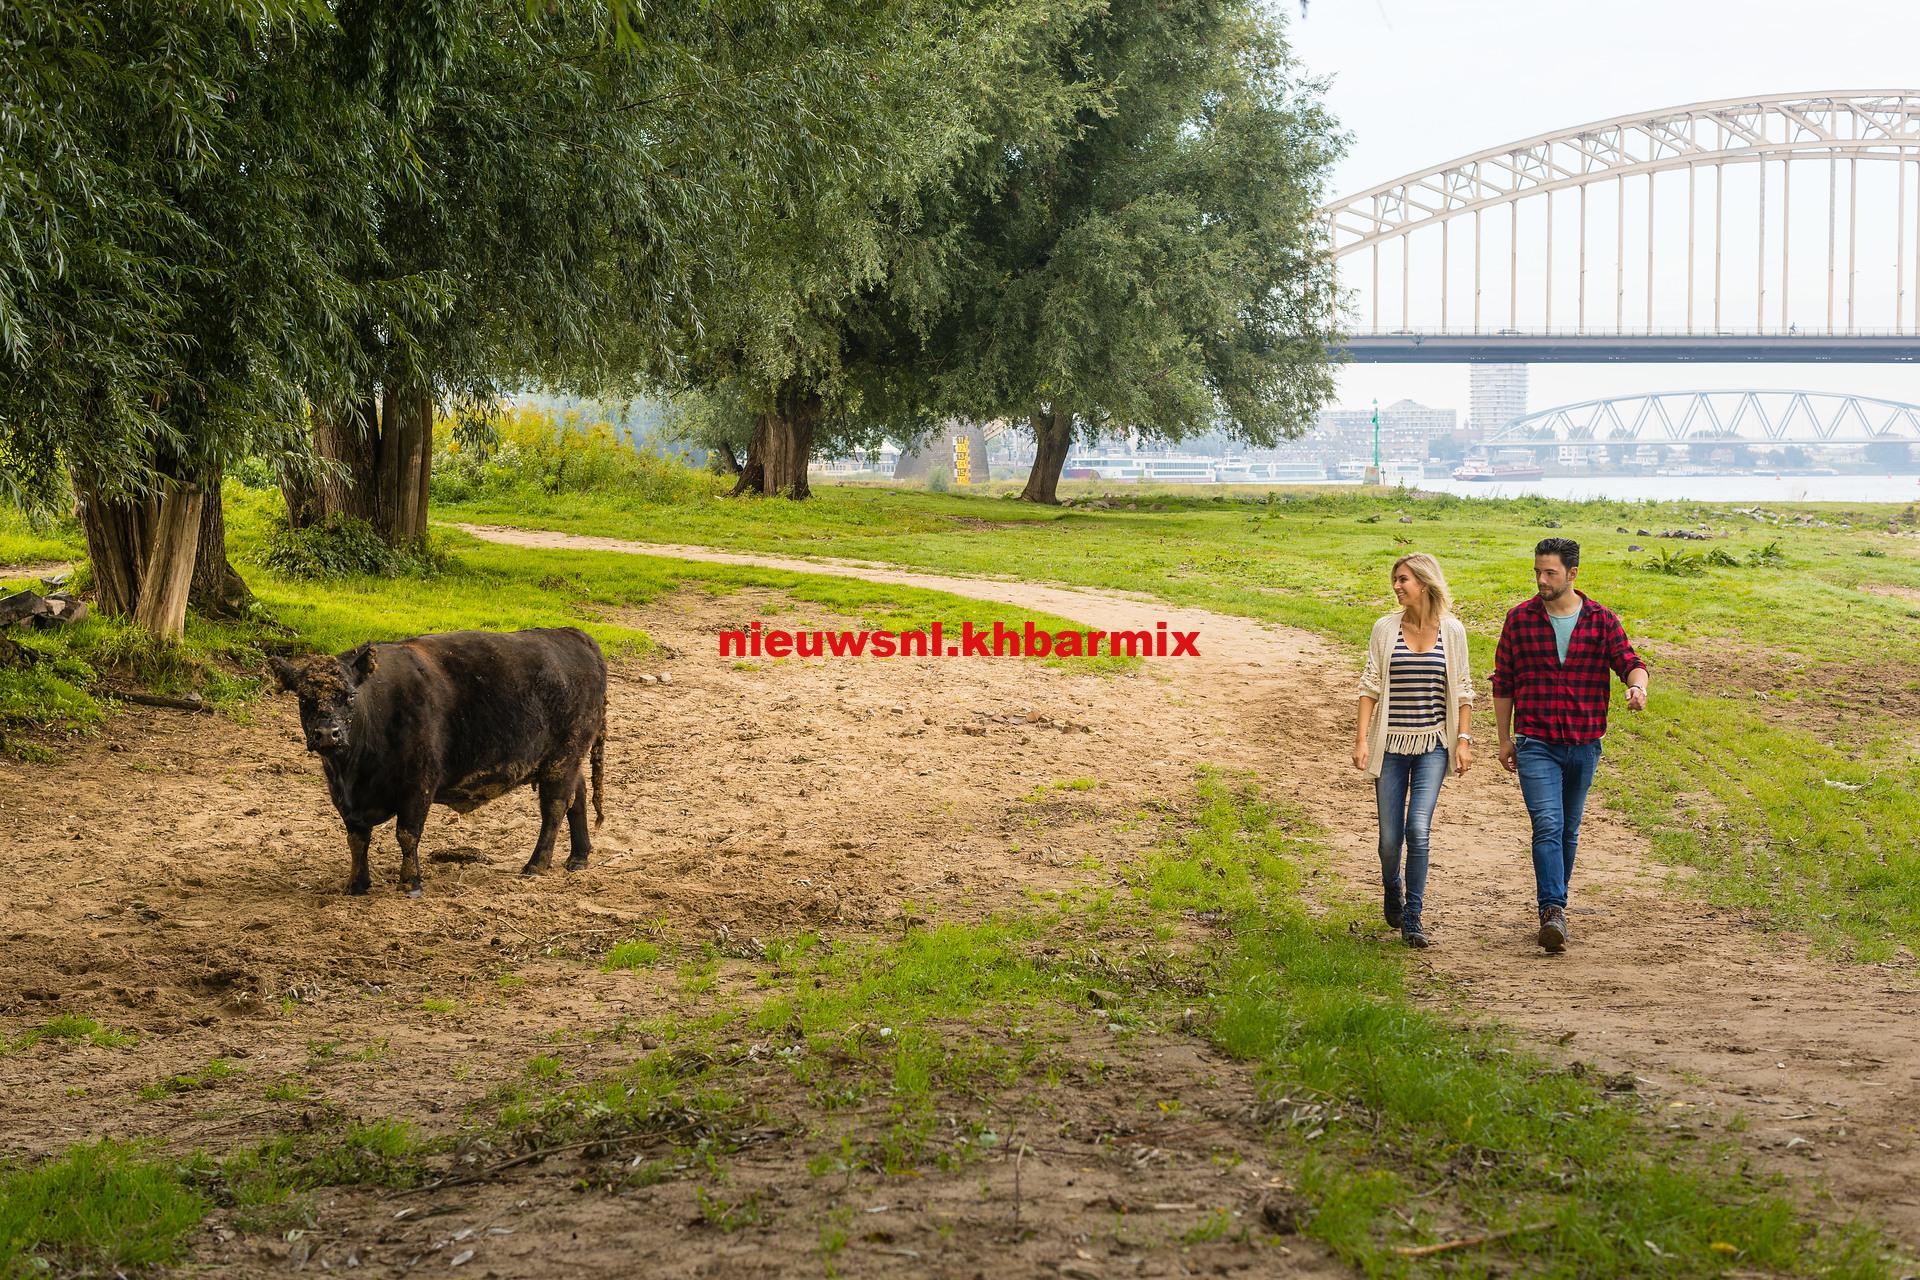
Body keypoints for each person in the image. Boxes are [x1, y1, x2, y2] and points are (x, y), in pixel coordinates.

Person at [1492, 537, 1649, 954]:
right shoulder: (1520, 619)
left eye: (1550, 573)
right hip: (1535, 742)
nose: (1542, 580)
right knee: (1547, 823)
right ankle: (1552, 910)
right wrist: (1504, 738)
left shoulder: (1601, 620)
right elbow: (1503, 681)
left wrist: (1637, 688)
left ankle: (1556, 902)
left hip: (1584, 742)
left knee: (1568, 828)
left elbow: (1631, 663)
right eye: (1538, 572)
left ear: (1572, 574)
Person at [1353, 553, 1476, 948]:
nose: (1396, 586)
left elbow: (1462, 689)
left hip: (1433, 747)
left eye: (1403, 579)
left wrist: (1463, 740)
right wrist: (1361, 739)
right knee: (1390, 840)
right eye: (1395, 579)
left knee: (1417, 830)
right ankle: (1393, 886)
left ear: (1424, 583)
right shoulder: (1385, 629)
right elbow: (1370, 686)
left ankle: (1413, 916)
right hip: (1389, 745)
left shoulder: (1452, 631)